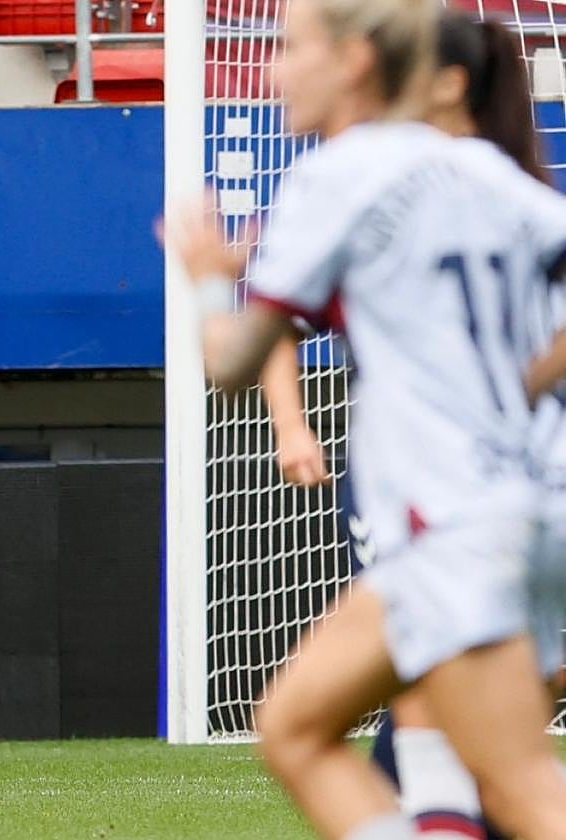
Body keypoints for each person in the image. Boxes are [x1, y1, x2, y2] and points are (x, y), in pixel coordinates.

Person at [167, 0, 566, 836]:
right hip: (526, 505)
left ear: (354, 61)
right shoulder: (492, 174)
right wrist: (508, 386)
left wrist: (208, 279)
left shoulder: (340, 174)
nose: (271, 70)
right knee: (305, 728)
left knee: (522, 788)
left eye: (288, 48)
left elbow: (232, 363)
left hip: (454, 518)